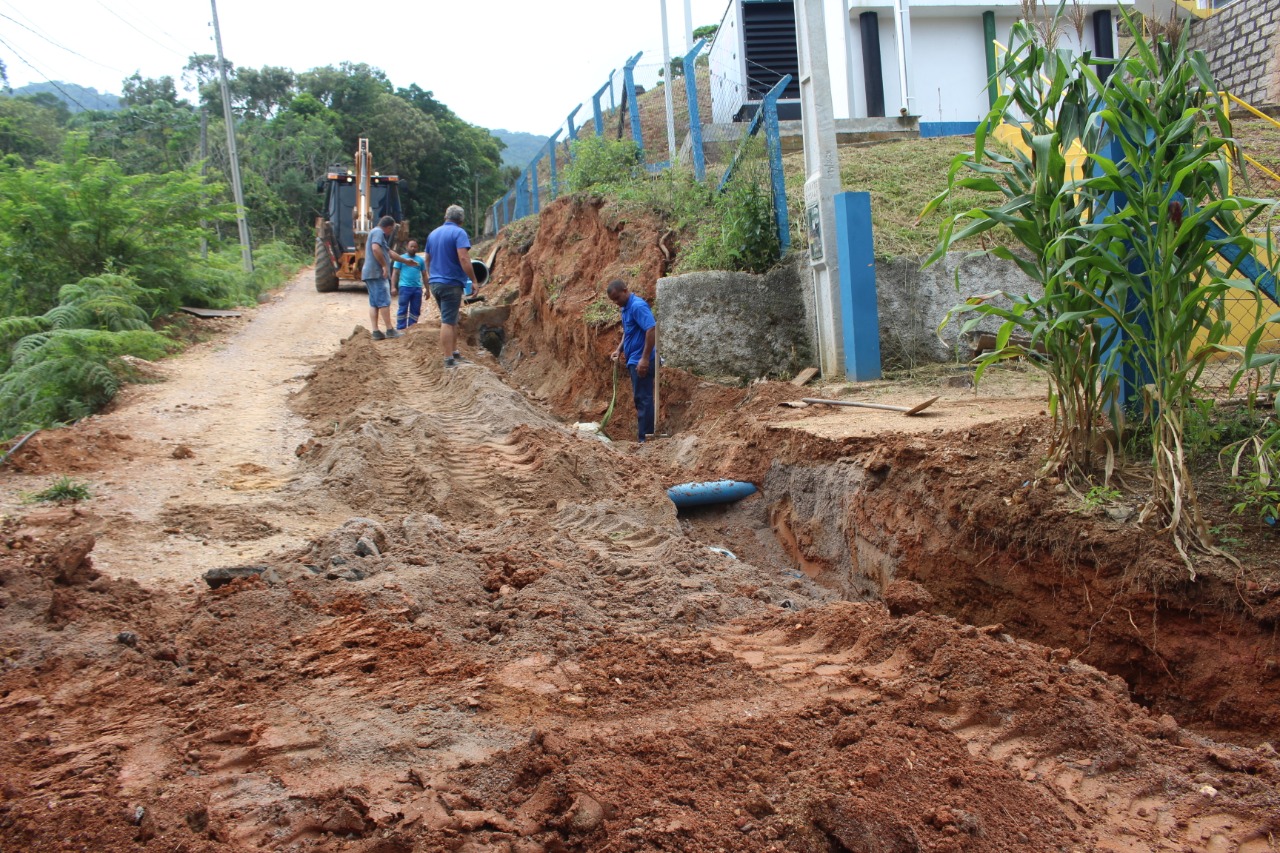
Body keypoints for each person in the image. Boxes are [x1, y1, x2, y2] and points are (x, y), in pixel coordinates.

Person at [424, 204, 481, 368]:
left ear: (445, 217)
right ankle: (448, 358)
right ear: (461, 220)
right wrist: (474, 280)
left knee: (452, 318)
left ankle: (454, 352)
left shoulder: (433, 234)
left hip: (436, 282)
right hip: (451, 283)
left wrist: (431, 275)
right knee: (448, 321)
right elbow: (464, 258)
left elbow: (427, 258)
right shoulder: (459, 233)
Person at [607, 279, 657, 442]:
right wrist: (619, 349)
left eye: (617, 298)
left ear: (625, 290)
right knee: (640, 398)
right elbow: (628, 332)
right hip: (634, 359)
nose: (616, 303)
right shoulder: (625, 308)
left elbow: (651, 329)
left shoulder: (637, 306)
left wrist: (644, 359)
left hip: (641, 361)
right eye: (613, 300)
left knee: (643, 399)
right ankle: (645, 437)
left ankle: (646, 439)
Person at [362, 215, 418, 341]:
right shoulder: (378, 232)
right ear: (388, 227)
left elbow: (389, 252)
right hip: (376, 273)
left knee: (374, 303)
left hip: (370, 273)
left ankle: (376, 331)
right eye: (391, 230)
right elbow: (375, 249)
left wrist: (405, 261)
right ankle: (389, 330)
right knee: (384, 302)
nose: (391, 232)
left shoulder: (376, 233)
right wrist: (384, 266)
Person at [392, 239, 426, 331]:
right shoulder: (401, 259)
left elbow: (424, 275)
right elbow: (395, 273)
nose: (413, 248)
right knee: (403, 308)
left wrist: (427, 289)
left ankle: (412, 328)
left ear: (417, 248)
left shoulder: (420, 261)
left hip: (417, 289)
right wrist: (393, 287)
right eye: (411, 246)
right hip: (404, 288)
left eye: (415, 247)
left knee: (415, 310)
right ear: (407, 247)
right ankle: (400, 329)